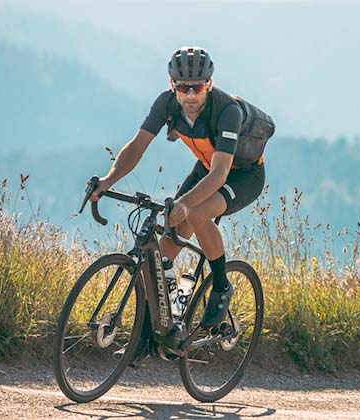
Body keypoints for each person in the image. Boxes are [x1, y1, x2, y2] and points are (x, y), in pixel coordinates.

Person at [89, 46, 267, 366]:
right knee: (160, 256)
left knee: (196, 213)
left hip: (241, 175)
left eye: (197, 87)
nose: (189, 95)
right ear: (173, 85)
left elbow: (221, 173)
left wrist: (186, 202)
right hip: (205, 167)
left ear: (208, 85)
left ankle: (221, 287)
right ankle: (150, 334)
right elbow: (137, 146)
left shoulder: (227, 112)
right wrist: (108, 180)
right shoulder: (166, 104)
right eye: (182, 87)